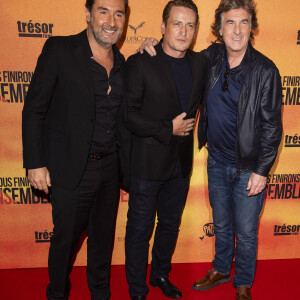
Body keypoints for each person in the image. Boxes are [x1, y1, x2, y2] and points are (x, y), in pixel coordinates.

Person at [139, 0, 282, 299]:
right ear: (219, 28)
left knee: (245, 232)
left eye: (244, 22)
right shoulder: (209, 59)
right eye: (230, 22)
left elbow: (272, 128)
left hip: (248, 168)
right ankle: (220, 268)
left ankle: (242, 283)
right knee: (222, 223)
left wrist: (262, 170)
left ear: (252, 28)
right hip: (216, 161)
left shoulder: (266, 71)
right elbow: (176, 56)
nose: (237, 29)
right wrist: (149, 43)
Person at [22, 0, 128, 299]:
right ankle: (56, 292)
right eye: (103, 11)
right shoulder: (59, 51)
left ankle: (100, 292)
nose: (111, 20)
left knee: (102, 241)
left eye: (119, 13)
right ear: (87, 14)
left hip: (109, 168)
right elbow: (33, 110)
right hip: (70, 168)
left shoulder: (123, 63)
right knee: (64, 241)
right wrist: (35, 162)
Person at [124, 1, 208, 299]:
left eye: (190, 25)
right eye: (176, 23)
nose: (183, 31)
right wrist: (165, 128)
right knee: (139, 229)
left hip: (181, 165)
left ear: (196, 30)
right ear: (162, 27)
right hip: (147, 166)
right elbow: (128, 114)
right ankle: (136, 289)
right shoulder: (140, 62)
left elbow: (233, 49)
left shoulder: (201, 63)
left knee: (169, 225)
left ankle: (160, 274)